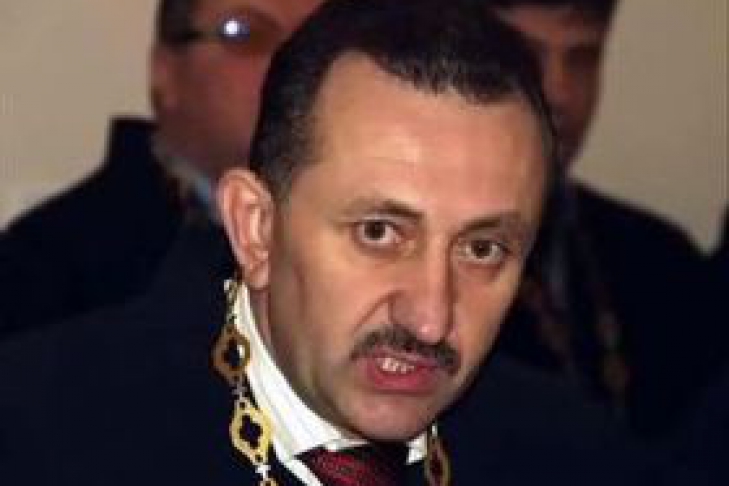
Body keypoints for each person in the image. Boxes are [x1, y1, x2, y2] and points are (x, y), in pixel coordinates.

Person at [1, 1, 646, 484]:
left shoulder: (577, 455)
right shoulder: (36, 434)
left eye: (481, 249)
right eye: (379, 233)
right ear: (257, 229)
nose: (429, 318)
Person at [0, 0, 323, 339]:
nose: (292, 64)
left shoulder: (351, 240)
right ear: (164, 71)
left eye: (314, 39)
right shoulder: (45, 273)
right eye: (245, 33)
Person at [479, 0, 721, 440]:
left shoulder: (661, 259)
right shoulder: (414, 270)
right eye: (526, 56)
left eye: (582, 59)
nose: (558, 92)